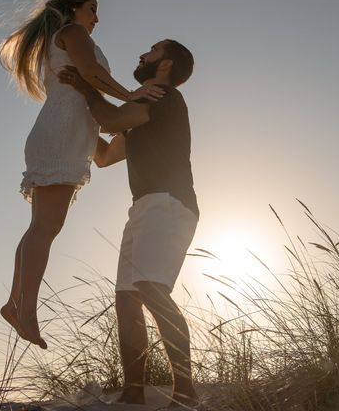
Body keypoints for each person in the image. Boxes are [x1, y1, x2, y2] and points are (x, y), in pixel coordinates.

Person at [0, 0, 164, 349]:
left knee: (43, 226)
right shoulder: (71, 32)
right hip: (60, 133)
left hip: (69, 135)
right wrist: (130, 95)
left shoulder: (65, 35)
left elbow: (102, 157)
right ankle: (23, 308)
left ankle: (16, 303)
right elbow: (90, 72)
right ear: (73, 9)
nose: (97, 18)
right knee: (45, 227)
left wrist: (140, 133)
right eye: (92, 8)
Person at [58, 39, 199, 407]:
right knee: (126, 299)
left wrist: (86, 89)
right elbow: (104, 156)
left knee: (152, 290)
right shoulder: (144, 105)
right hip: (142, 208)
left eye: (151, 51)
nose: (141, 55)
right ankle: (133, 392)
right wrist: (75, 111)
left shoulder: (163, 96)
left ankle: (186, 393)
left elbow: (112, 119)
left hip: (168, 203)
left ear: (165, 64)